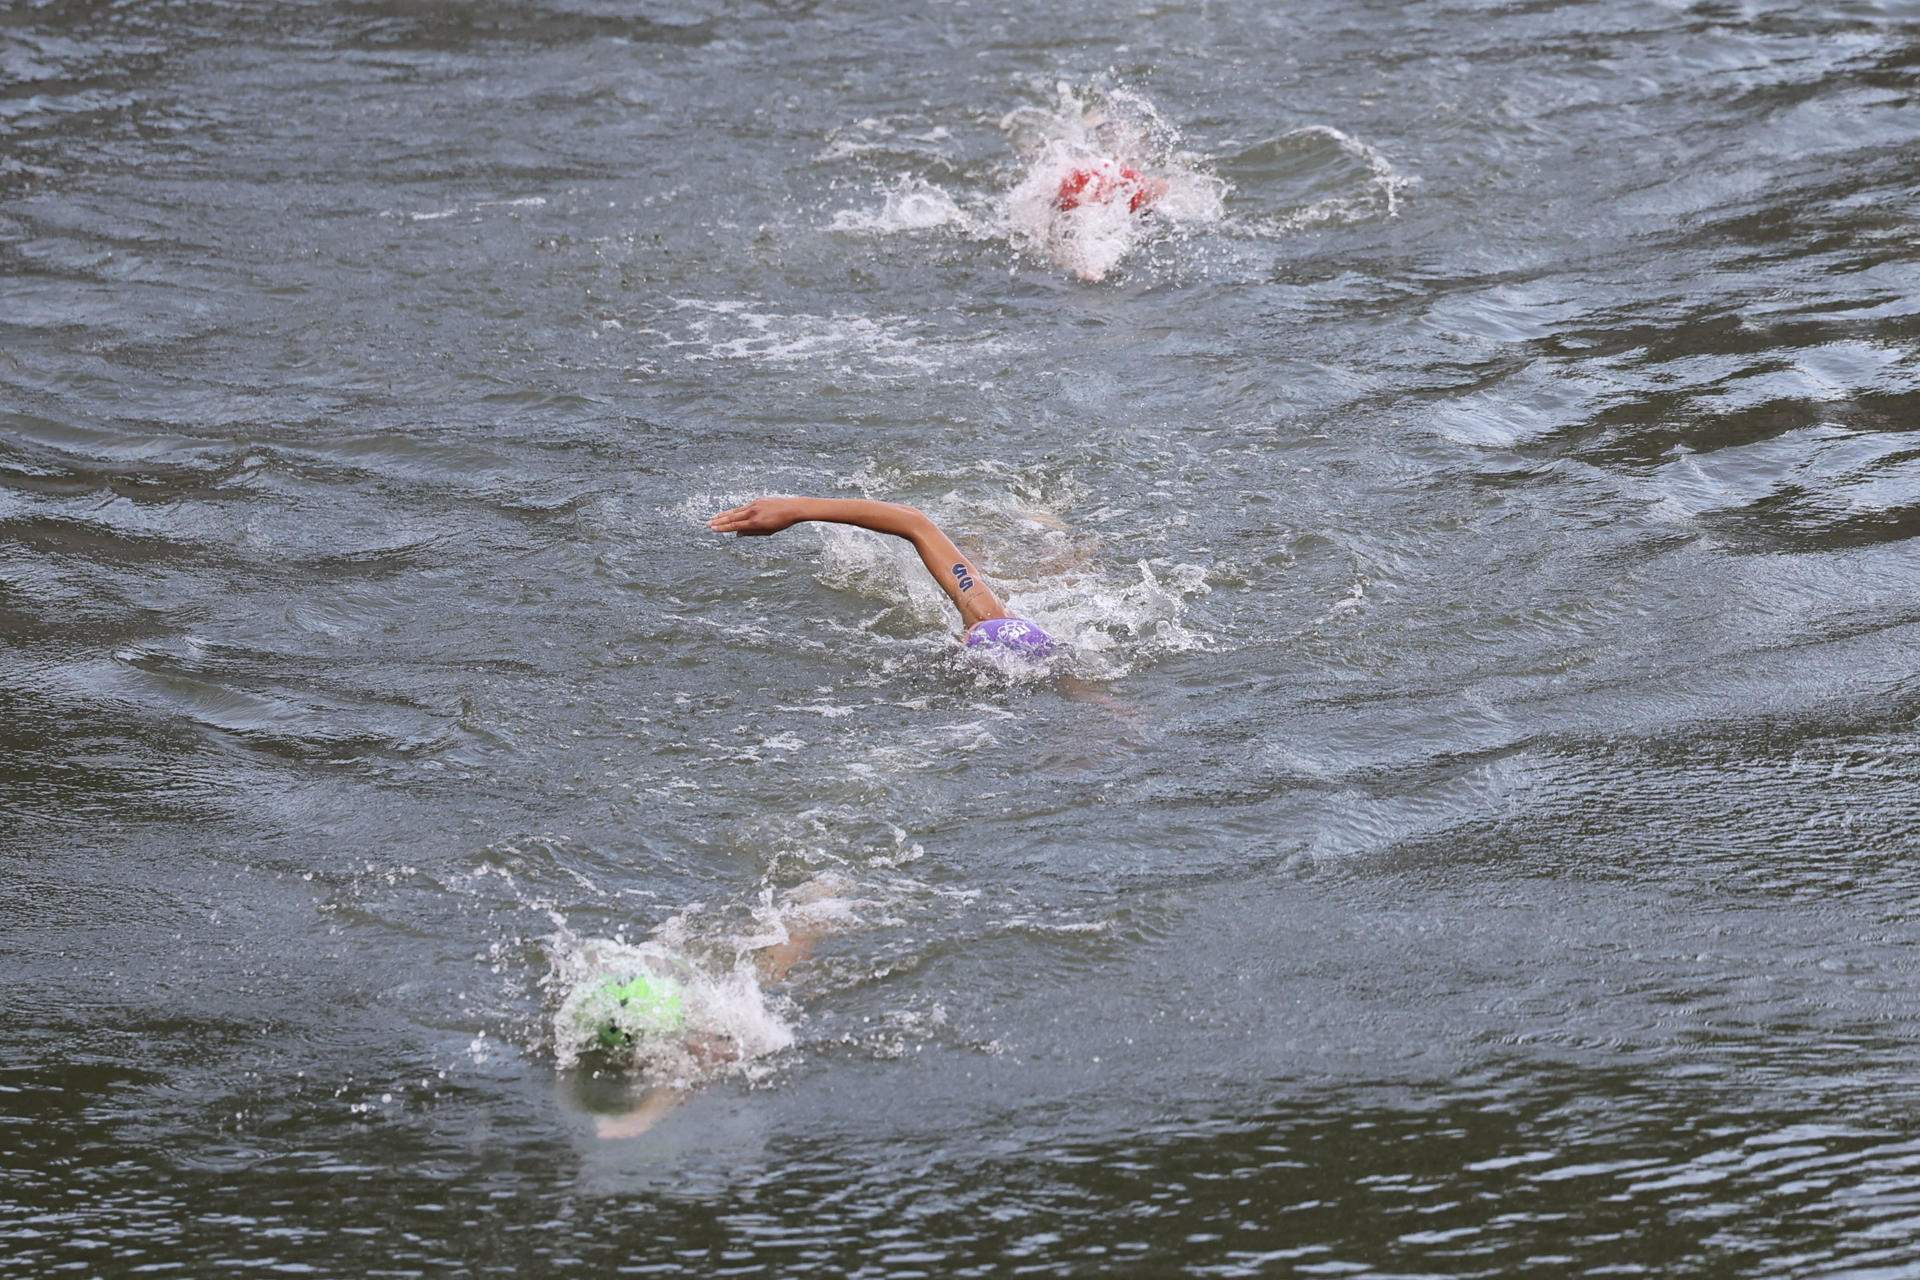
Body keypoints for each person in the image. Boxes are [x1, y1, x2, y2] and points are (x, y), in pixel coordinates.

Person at [708, 497, 1058, 659]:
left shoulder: (984, 620)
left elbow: (916, 522)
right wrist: (796, 509)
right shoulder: (988, 616)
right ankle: (1036, 525)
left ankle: (1040, 528)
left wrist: (800, 509)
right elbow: (914, 522)